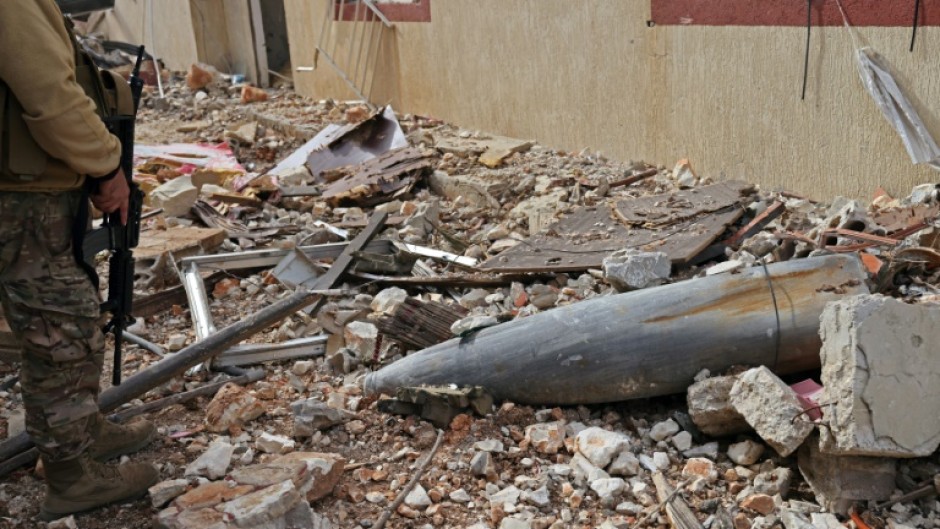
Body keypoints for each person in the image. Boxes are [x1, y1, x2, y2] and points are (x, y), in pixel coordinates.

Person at [0, 0, 158, 521]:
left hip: (33, 186)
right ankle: (72, 477)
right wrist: (106, 165)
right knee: (59, 329)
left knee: (69, 314)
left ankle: (82, 429)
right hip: (21, 195)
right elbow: (51, 98)